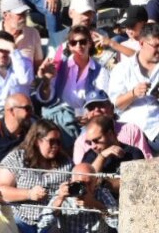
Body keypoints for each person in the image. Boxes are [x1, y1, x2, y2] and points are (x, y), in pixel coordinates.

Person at [0, 118, 73, 233]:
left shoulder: (65, 162)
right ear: (38, 141)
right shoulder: (17, 158)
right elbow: (0, 190)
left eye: (58, 142)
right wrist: (29, 194)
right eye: (51, 141)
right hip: (20, 220)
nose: (56, 146)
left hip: (52, 222)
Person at [36, 24, 111, 127]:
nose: (78, 46)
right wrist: (46, 81)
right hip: (57, 117)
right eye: (73, 43)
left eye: (83, 42)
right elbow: (45, 99)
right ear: (69, 46)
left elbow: (101, 104)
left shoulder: (100, 71)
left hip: (87, 121)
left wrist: (80, 114)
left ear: (90, 44)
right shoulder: (58, 65)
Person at [107, 21, 159, 152]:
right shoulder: (122, 69)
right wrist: (134, 93)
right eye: (156, 45)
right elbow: (116, 105)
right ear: (142, 43)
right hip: (137, 126)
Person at [36, 162, 116, 233]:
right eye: (81, 183)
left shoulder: (102, 193)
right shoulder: (64, 193)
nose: (85, 188)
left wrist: (96, 205)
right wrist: (59, 199)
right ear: (71, 181)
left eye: (89, 183)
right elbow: (42, 224)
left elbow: (116, 222)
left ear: (96, 181)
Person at [80, 114, 144, 201]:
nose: (93, 146)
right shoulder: (90, 155)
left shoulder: (133, 153)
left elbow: (134, 186)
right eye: (90, 142)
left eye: (96, 140)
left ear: (110, 134)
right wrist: (101, 157)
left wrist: (102, 182)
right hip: (98, 208)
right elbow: (85, 181)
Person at [71, 92, 151, 162]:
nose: (96, 110)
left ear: (112, 108)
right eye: (91, 108)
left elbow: (147, 162)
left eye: (101, 105)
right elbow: (81, 174)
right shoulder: (81, 142)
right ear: (87, 114)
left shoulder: (131, 129)